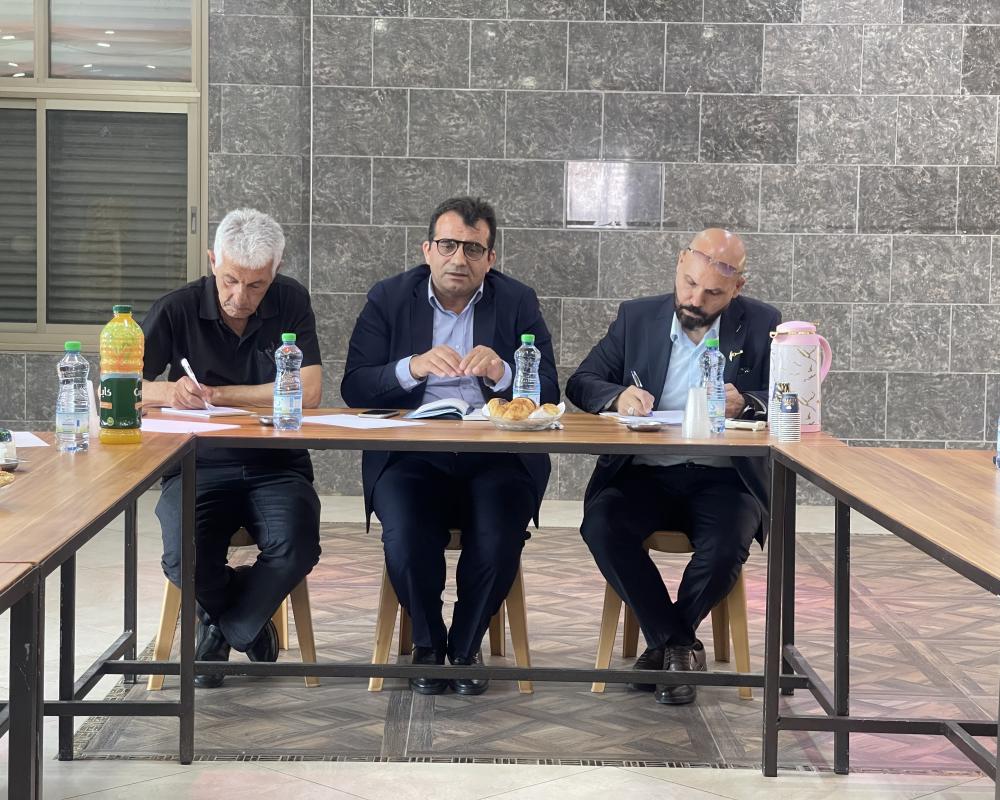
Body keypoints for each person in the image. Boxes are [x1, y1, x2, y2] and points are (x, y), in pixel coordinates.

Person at [341, 196, 558, 696]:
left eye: (473, 249)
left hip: (497, 455)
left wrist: (503, 372)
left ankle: (465, 647)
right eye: (448, 245)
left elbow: (549, 387)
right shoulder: (389, 297)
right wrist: (411, 367)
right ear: (427, 250)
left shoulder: (517, 301)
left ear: (491, 258)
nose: (459, 258)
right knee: (406, 534)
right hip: (412, 454)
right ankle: (427, 643)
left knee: (499, 535)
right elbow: (355, 385)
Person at [566, 228, 779, 706]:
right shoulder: (637, 317)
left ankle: (664, 646)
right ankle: (677, 644)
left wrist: (747, 402)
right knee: (601, 526)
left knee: (725, 546)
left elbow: (790, 396)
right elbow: (581, 381)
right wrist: (617, 396)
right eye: (689, 283)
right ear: (680, 263)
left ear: (738, 288)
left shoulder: (764, 323)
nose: (695, 300)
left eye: (713, 293)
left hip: (725, 476)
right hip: (645, 472)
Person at [142, 208, 323, 688]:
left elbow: (308, 391)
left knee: (297, 545)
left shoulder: (291, 300)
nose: (240, 298)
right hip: (195, 465)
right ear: (212, 261)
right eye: (230, 281)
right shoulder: (176, 308)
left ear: (276, 271)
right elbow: (119, 387)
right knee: (183, 557)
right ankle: (248, 624)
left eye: (256, 285)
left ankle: (223, 627)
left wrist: (220, 395)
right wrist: (169, 391)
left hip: (277, 464)